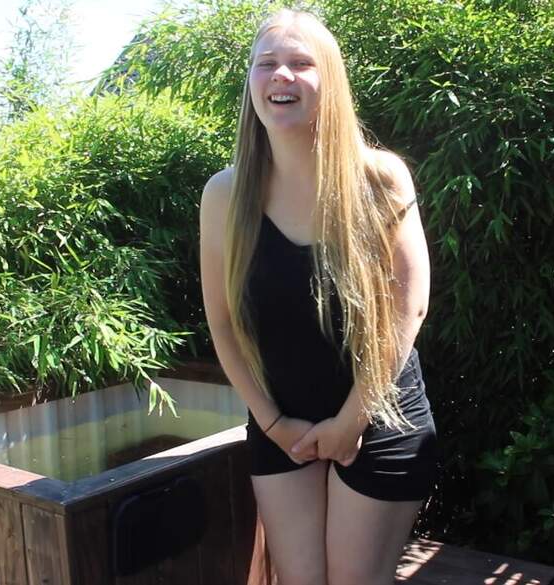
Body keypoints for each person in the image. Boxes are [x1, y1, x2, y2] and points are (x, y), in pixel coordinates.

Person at [199, 8, 437, 585]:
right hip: (281, 423)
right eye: (266, 64)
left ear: (329, 81)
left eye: (301, 63)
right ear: (251, 84)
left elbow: (409, 308)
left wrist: (350, 422)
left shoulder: (379, 178)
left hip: (379, 417)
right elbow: (223, 324)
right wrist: (273, 422)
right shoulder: (225, 195)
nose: (281, 75)